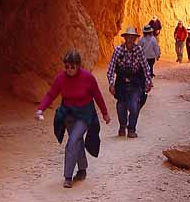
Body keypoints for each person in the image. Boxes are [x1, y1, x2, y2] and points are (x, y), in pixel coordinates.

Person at [35, 49, 111, 189]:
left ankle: (68, 177)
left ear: (78, 66)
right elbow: (51, 94)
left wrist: (105, 113)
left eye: (72, 67)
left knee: (72, 141)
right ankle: (82, 170)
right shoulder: (60, 78)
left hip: (85, 114)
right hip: (69, 114)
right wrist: (41, 108)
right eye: (67, 67)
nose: (69, 70)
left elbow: (97, 95)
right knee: (77, 141)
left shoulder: (88, 78)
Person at [107, 26, 152, 138]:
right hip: (121, 83)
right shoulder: (118, 51)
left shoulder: (139, 50)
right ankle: (122, 126)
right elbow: (111, 69)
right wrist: (111, 84)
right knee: (121, 106)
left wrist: (148, 81)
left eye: (133, 37)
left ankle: (131, 129)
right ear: (125, 38)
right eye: (129, 37)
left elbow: (146, 67)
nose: (131, 39)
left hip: (135, 82)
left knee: (134, 106)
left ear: (135, 39)